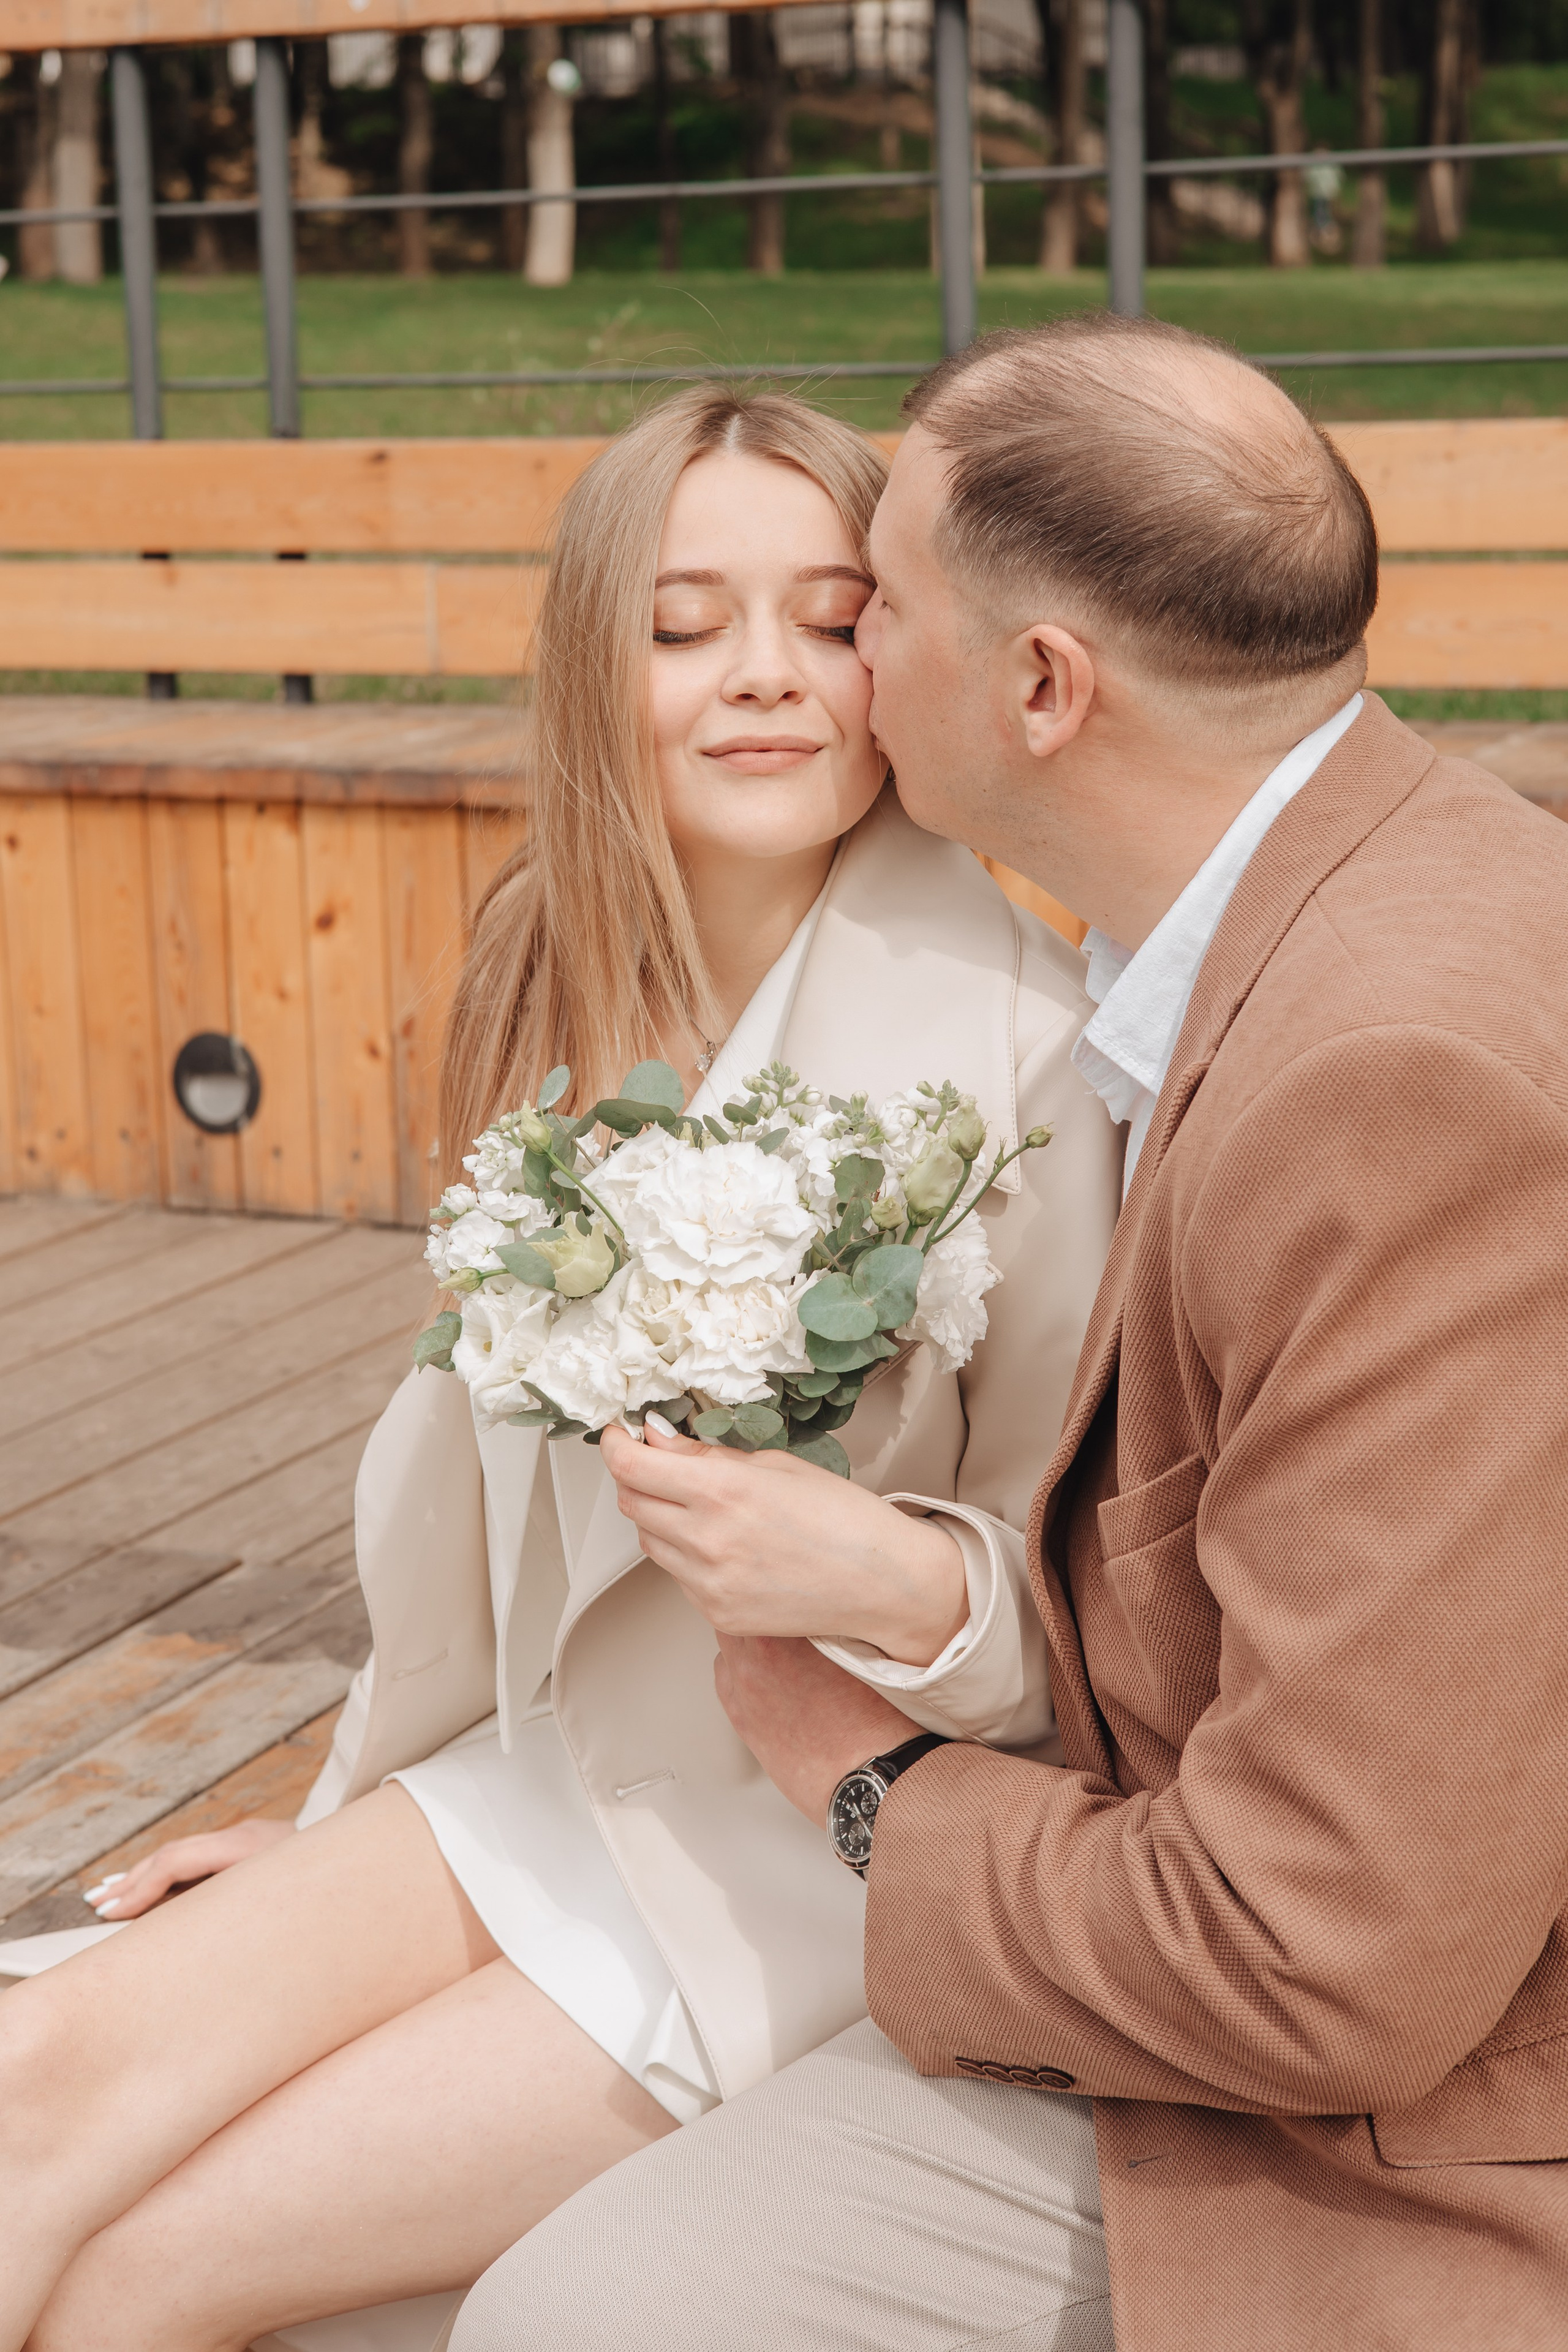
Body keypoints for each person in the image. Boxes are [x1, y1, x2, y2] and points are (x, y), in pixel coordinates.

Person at [452, 315, 1568, 2351]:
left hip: (1393, 2124)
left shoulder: (1387, 1084)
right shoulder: (1324, 907)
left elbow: (1331, 1964)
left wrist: (867, 1780)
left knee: (570, 2322)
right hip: (1166, 1902)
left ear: (1040, 687)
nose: (829, 664)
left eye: (875, 605)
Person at [0, 388, 1120, 2352]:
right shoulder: (558, 966)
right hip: (547, 1778)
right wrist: (345, 1821)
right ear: (596, 663)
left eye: (827, 616)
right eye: (686, 626)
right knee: (43, 2078)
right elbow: (470, 1517)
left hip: (797, 1861)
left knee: (143, 2276)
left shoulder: (1021, 1068)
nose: (762, 680)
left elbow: (1092, 1631)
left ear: (897, 657)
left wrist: (862, 1572)